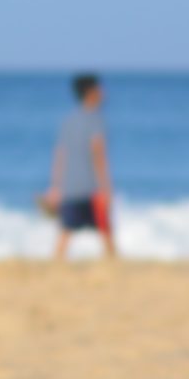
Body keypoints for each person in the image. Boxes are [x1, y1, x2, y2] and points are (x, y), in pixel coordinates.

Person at [43, 73, 117, 260]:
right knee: (106, 231)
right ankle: (114, 266)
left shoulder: (68, 121)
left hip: (69, 187)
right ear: (90, 92)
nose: (103, 93)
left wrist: (55, 186)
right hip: (92, 188)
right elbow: (98, 155)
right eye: (99, 89)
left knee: (66, 231)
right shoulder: (96, 119)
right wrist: (106, 188)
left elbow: (59, 155)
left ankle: (56, 266)